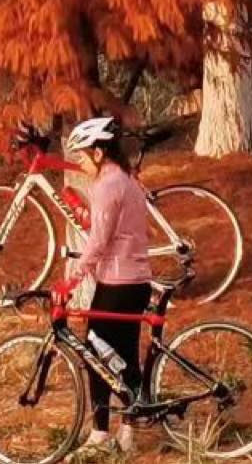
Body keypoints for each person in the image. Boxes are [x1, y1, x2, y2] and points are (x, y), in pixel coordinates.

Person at [59, 114, 153, 452]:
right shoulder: (128, 181)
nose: (80, 164)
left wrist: (73, 276)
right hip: (138, 280)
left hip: (117, 283)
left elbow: (98, 242)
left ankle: (100, 433)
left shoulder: (106, 185)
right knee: (125, 357)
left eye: (82, 157)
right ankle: (129, 432)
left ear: (99, 153)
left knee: (94, 354)